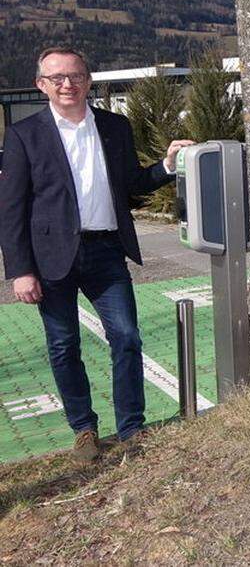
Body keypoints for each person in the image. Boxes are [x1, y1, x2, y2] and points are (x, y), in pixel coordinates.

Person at [0, 47, 192, 463]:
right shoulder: (24, 135)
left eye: (75, 76)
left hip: (106, 251)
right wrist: (20, 270)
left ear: (89, 81)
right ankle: (84, 430)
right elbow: (11, 207)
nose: (67, 84)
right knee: (63, 345)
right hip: (51, 258)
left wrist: (168, 164)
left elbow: (133, 184)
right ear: (41, 86)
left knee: (126, 337)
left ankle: (131, 429)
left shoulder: (114, 127)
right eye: (56, 78)